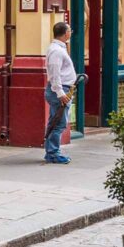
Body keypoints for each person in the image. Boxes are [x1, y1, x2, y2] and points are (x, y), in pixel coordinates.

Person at [44, 21, 77, 164]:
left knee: (55, 121)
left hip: (63, 89)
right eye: (70, 30)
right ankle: (53, 153)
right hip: (60, 90)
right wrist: (60, 93)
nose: (71, 32)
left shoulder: (58, 48)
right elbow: (55, 73)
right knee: (59, 123)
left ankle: (51, 152)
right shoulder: (57, 51)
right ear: (66, 33)